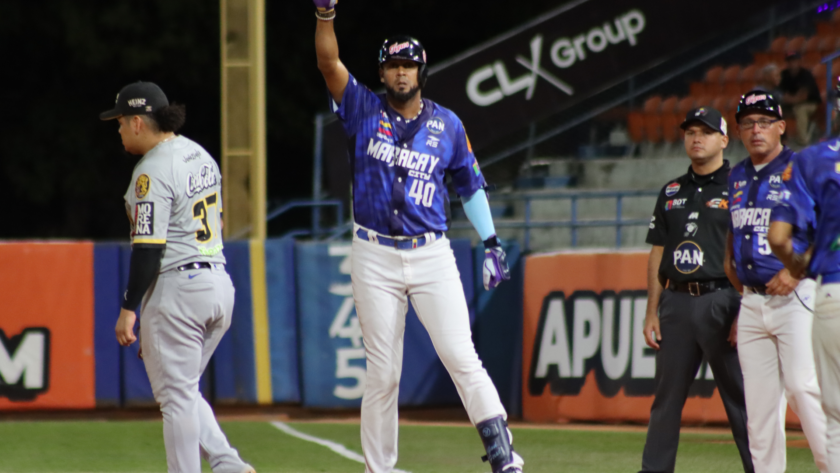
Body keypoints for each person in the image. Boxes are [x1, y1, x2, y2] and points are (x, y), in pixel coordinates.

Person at [312, 2, 522, 473]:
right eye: (393, 66)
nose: (401, 73)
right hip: (373, 253)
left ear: (421, 71)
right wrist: (325, 15)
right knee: (383, 373)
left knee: (459, 354)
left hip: (430, 253)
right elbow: (329, 63)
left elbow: (470, 186)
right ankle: (378, 468)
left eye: (408, 65)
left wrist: (491, 242)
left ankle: (503, 451)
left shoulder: (446, 124)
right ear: (382, 73)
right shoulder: (362, 107)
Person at [101, 82, 255, 473]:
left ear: (138, 122)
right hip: (219, 284)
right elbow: (217, 222)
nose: (118, 130)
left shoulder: (151, 171)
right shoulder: (198, 154)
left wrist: (129, 309)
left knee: (175, 398)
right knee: (183, 391)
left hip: (179, 288)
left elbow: (148, 248)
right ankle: (228, 464)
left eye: (119, 122)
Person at [641, 107, 754, 473]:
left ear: (724, 140)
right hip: (676, 301)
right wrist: (651, 311)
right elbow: (658, 250)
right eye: (690, 132)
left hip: (724, 300)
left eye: (705, 132)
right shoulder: (671, 190)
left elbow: (751, 248)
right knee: (665, 401)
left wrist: (746, 308)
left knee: (741, 399)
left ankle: (761, 467)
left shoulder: (741, 184)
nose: (696, 138)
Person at [725, 90, 826, 473]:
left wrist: (797, 269)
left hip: (796, 295)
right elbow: (734, 238)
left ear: (782, 127)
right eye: (748, 123)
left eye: (765, 122)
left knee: (804, 389)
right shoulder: (736, 175)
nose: (756, 130)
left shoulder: (802, 167)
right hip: (752, 302)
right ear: (738, 130)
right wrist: (741, 294)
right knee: (761, 411)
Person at [768, 138, 840, 473]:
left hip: (832, 292)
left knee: (838, 421)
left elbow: (778, 237)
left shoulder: (811, 159)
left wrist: (797, 266)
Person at [779, 52, 822, 145]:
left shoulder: (806, 74)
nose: (792, 63)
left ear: (799, 61)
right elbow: (781, 93)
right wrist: (788, 99)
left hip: (810, 104)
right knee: (775, 109)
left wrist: (789, 99)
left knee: (800, 109)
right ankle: (780, 138)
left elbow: (803, 97)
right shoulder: (784, 74)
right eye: (790, 61)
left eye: (794, 60)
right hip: (791, 104)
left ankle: (803, 141)